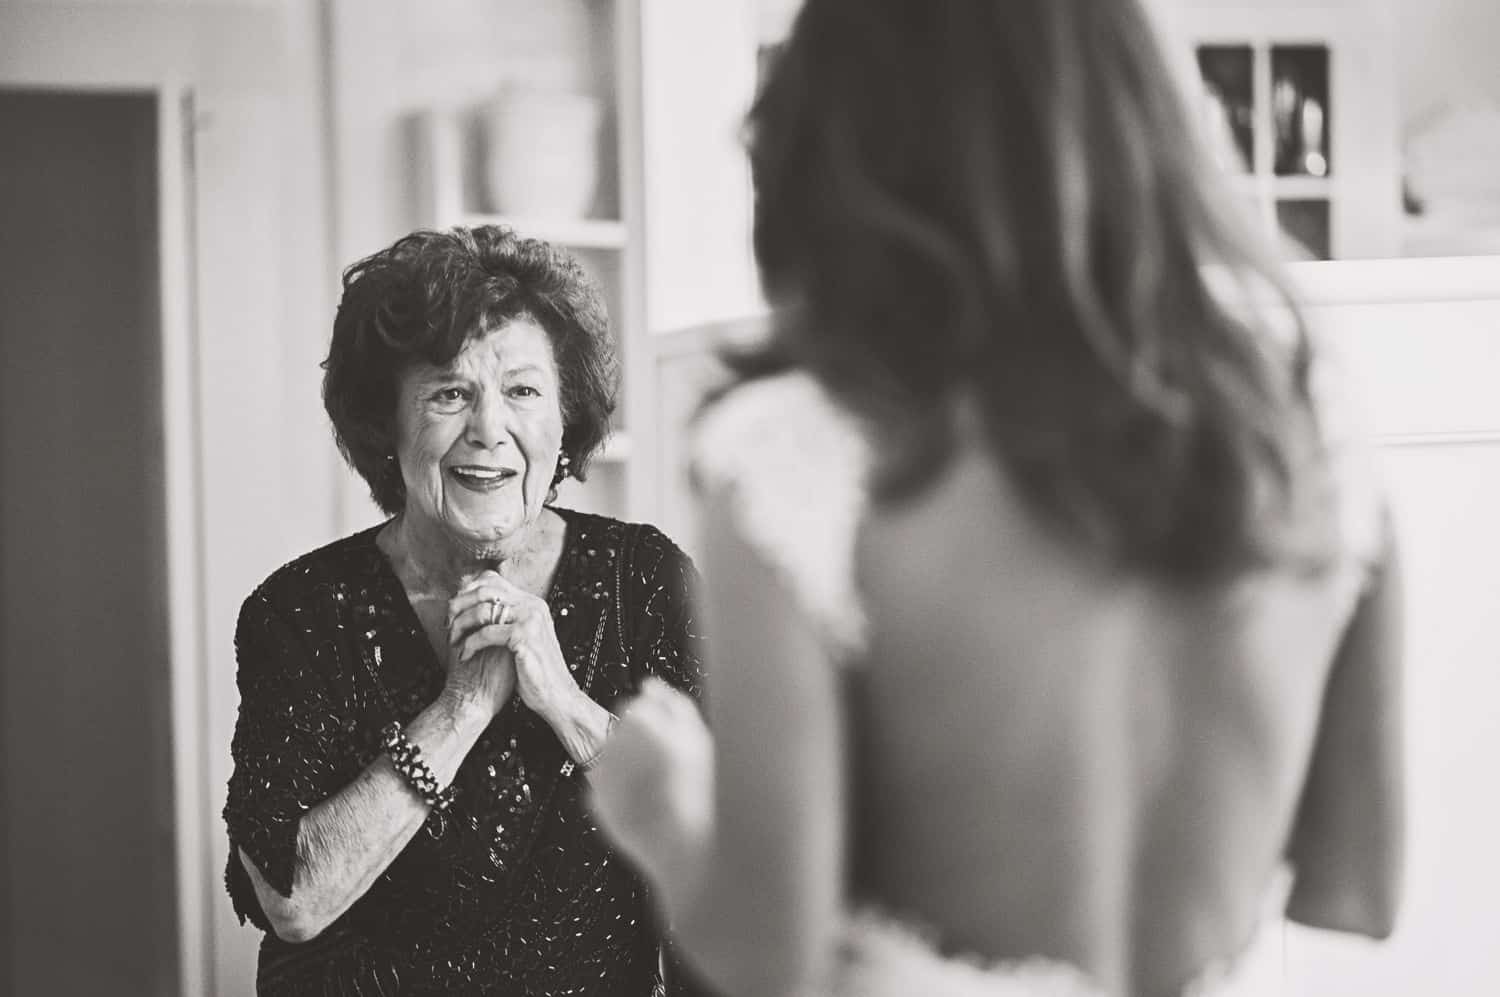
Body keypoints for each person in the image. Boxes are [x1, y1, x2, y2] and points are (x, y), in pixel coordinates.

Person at [587, 1, 1405, 995]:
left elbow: (773, 959)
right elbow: (1355, 889)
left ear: (839, 143)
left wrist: (662, 813)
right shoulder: (1303, 427)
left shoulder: (799, 451)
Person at [222, 225, 705, 995]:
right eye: (450, 392)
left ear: (563, 417)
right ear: (388, 422)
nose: (489, 430)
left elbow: (716, 845)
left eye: (522, 390)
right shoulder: (300, 611)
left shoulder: (639, 579)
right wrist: (460, 711)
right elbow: (292, 897)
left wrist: (569, 706)